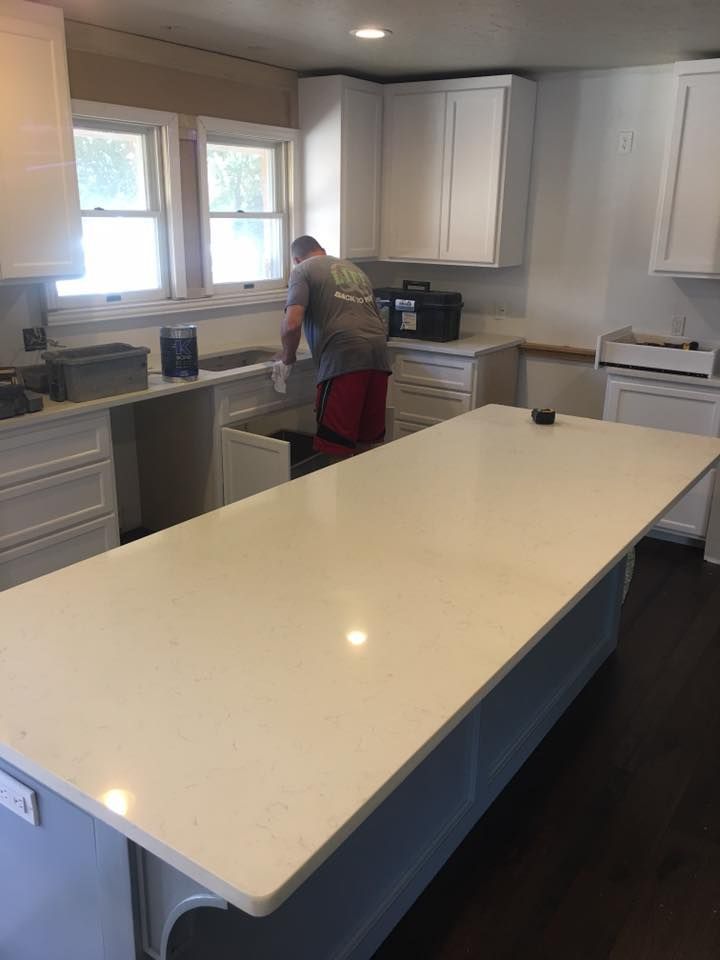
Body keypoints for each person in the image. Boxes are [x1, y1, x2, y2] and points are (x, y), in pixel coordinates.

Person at [279, 235, 392, 457]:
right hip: (378, 355)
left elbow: (292, 325)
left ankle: (336, 492)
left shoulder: (302, 271)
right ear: (322, 249)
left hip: (344, 357)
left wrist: (287, 356)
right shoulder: (354, 269)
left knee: (336, 445)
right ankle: (362, 491)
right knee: (365, 443)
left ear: (296, 259)